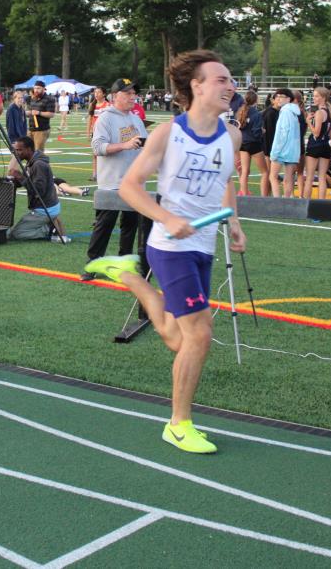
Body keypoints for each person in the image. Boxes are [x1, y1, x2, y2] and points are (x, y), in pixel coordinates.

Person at [85, 50, 245, 454]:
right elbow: (130, 186)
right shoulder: (167, 133)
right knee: (200, 334)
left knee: (178, 339)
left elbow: (226, 181)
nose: (230, 86)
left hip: (203, 245)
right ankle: (178, 425)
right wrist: (167, 218)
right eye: (221, 79)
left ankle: (126, 274)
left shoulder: (232, 135)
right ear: (197, 86)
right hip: (170, 246)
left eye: (231, 80)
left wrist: (234, 221)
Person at [81, 77, 148, 281]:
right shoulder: (106, 118)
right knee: (104, 225)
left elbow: (143, 146)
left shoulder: (136, 119)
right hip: (111, 183)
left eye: (134, 93)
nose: (132, 96)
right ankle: (92, 264)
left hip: (134, 184)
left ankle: (124, 263)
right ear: (114, 96)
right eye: (127, 93)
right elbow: (97, 147)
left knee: (130, 225)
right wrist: (125, 145)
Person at [2, 136, 68, 242]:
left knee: (16, 234)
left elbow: (38, 190)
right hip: (44, 207)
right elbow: (24, 183)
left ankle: (50, 229)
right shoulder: (32, 162)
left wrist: (20, 177)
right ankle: (50, 222)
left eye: (19, 150)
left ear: (29, 149)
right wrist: (2, 180)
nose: (17, 153)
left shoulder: (38, 165)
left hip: (45, 209)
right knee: (13, 232)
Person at [268, 88, 300, 198]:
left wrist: (275, 152)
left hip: (282, 150)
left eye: (282, 96)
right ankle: (286, 201)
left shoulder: (285, 111)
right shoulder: (294, 112)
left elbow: (283, 133)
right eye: (277, 96)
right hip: (292, 150)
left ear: (289, 99)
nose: (278, 99)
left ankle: (278, 202)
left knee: (273, 176)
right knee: (288, 178)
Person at [303, 86, 331, 200]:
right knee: (322, 177)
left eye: (316, 96)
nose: (314, 98)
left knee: (309, 177)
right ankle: (321, 203)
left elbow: (316, 133)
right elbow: (330, 133)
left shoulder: (320, 112)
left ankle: (305, 203)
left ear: (323, 98)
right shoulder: (329, 111)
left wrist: (308, 122)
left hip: (315, 146)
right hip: (325, 145)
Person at [235, 91, 265, 196]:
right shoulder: (256, 114)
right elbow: (256, 133)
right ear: (256, 100)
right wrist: (262, 132)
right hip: (253, 144)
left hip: (243, 143)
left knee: (244, 171)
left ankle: (244, 194)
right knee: (265, 172)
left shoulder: (240, 111)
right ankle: (264, 197)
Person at [86, 86, 109, 181]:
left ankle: (105, 174)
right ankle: (95, 174)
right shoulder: (92, 104)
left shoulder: (108, 105)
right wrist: (88, 132)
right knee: (95, 154)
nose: (96, 94)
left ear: (104, 94)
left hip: (105, 133)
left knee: (105, 154)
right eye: (95, 92)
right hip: (95, 133)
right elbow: (90, 119)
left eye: (99, 92)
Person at [25, 81, 55, 151]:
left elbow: (51, 114)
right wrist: (27, 113)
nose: (36, 90)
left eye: (38, 88)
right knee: (28, 151)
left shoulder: (49, 99)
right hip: (30, 129)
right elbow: (29, 111)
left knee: (38, 152)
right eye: (35, 88)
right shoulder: (32, 98)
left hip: (41, 130)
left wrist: (39, 113)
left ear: (44, 89)